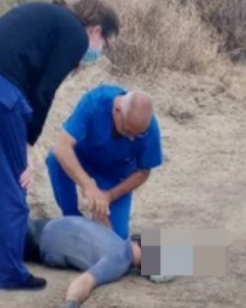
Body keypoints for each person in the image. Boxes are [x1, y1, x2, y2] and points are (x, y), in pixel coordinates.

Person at [0, 0, 120, 290]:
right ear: (95, 30)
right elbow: (45, 90)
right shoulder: (75, 34)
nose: (99, 50)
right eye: (104, 42)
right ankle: (11, 273)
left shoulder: (49, 17)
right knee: (11, 183)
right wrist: (27, 145)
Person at [46, 85, 163, 240]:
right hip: (84, 160)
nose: (131, 138)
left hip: (114, 176)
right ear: (117, 110)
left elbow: (143, 172)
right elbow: (61, 147)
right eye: (128, 131)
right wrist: (87, 185)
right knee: (54, 160)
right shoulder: (94, 102)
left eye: (137, 135)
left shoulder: (149, 128)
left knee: (116, 238)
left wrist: (109, 196)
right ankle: (72, 216)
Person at [23, 216, 149, 308]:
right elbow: (85, 281)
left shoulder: (119, 239)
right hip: (35, 241)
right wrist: (71, 303)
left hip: (45, 225)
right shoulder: (118, 261)